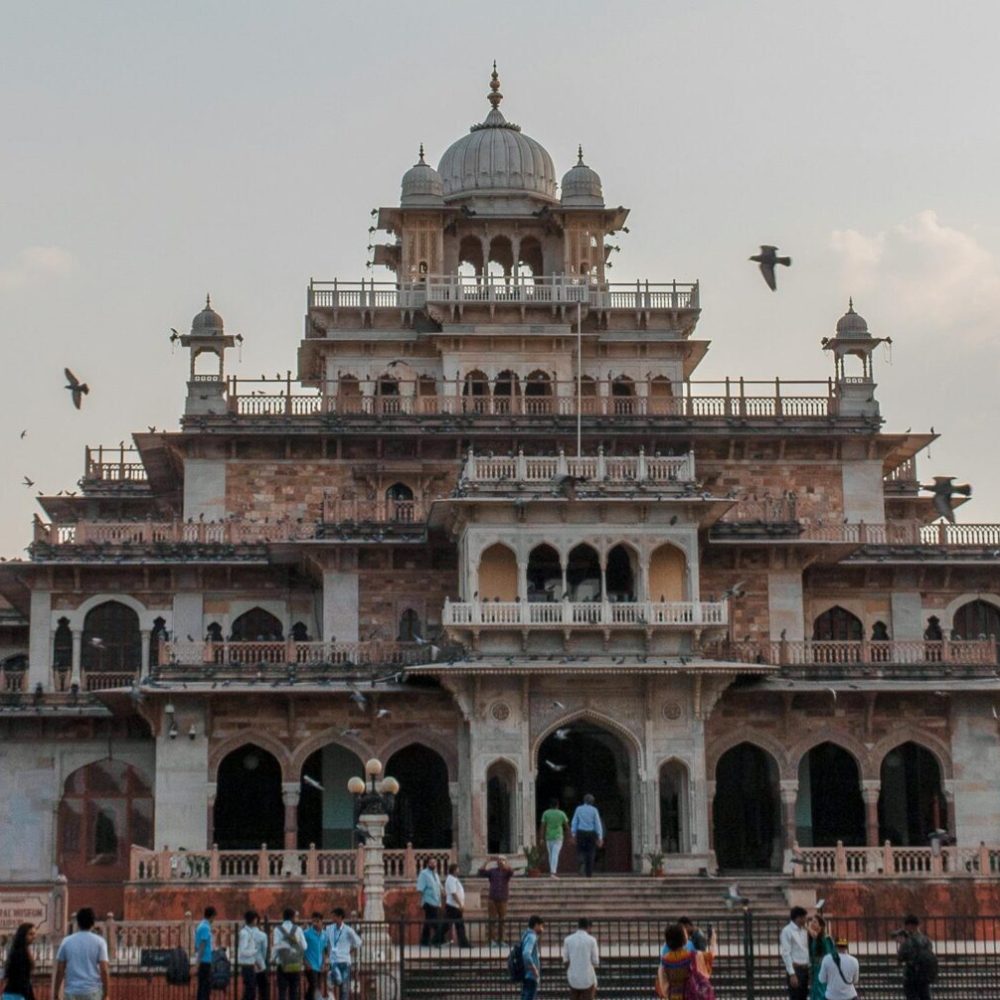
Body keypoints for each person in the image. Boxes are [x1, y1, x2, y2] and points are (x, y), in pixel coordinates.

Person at [53, 907, 110, 1000]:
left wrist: (56, 993)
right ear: (93, 923)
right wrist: (106, 994)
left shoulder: (66, 941)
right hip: (93, 991)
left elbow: (60, 970)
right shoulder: (100, 942)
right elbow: (104, 970)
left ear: (78, 923)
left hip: (71, 992)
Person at [658, 922, 709, 1000]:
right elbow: (705, 974)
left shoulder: (664, 962)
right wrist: (713, 942)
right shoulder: (694, 956)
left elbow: (664, 987)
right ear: (684, 940)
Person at [324, 907, 362, 1000]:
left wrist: (350, 951)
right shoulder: (329, 929)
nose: (332, 919)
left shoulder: (348, 930)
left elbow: (358, 942)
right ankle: (331, 979)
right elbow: (324, 940)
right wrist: (326, 954)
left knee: (344, 989)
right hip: (334, 961)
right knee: (338, 980)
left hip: (345, 961)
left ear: (340, 917)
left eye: (334, 917)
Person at [477, 854, 515, 946]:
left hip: (503, 899)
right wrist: (487, 861)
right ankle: (491, 941)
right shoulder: (492, 871)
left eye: (502, 860)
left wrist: (505, 864)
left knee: (502, 920)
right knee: (492, 920)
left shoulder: (507, 872)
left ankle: (501, 940)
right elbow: (481, 872)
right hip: (492, 898)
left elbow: (511, 872)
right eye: (499, 860)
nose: (500, 862)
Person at [896, 915, 936, 1000]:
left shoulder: (907, 942)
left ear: (909, 926)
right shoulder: (926, 940)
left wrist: (902, 943)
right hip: (924, 976)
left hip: (911, 976)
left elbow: (900, 958)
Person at [272, 907, 307, 1000]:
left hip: (282, 964)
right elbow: (304, 946)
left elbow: (276, 947)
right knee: (294, 991)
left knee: (282, 991)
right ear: (292, 917)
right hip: (295, 964)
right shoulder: (298, 929)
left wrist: (273, 959)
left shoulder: (277, 930)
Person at [562, 917, 599, 1000]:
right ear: (588, 927)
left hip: (573, 977)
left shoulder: (567, 940)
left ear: (578, 926)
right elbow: (595, 961)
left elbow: (565, 960)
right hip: (588, 977)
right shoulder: (592, 940)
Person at [780, 906, 811, 1000]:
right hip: (796, 968)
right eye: (804, 917)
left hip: (805, 968)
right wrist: (792, 974)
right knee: (795, 996)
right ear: (798, 918)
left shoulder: (805, 930)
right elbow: (786, 953)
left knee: (803, 996)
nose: (806, 920)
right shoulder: (787, 931)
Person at [238, 910, 269, 1000]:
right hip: (259, 964)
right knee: (262, 988)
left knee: (249, 989)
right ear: (255, 920)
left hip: (249, 964)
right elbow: (264, 951)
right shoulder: (262, 935)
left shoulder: (244, 932)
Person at [570, 794, 604, 877]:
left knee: (580, 850)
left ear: (584, 800)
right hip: (591, 833)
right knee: (591, 852)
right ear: (592, 802)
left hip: (581, 832)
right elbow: (597, 824)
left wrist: (573, 834)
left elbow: (574, 822)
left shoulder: (578, 809)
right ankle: (589, 873)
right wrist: (600, 837)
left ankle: (581, 861)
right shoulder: (594, 810)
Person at [1, 922, 37, 1000]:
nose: (34, 937)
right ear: (23, 935)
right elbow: (21, 978)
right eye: (30, 934)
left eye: (34, 934)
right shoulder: (20, 953)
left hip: (15, 993)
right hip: (16, 994)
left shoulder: (22, 950)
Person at [539, 798, 571, 877]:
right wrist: (570, 836)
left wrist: (541, 838)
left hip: (548, 837)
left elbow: (542, 826)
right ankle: (553, 872)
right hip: (558, 837)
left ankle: (552, 871)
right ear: (558, 805)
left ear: (550, 805)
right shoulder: (562, 813)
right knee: (555, 854)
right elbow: (567, 826)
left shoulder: (546, 813)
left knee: (551, 855)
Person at [415, 858, 444, 946]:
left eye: (434, 862)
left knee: (428, 922)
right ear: (428, 864)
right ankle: (439, 939)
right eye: (431, 863)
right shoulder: (424, 874)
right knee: (435, 921)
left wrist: (443, 891)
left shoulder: (436, 874)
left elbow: (439, 886)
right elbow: (420, 888)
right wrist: (419, 901)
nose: (433, 864)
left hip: (436, 901)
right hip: (428, 901)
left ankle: (424, 941)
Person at [442, 863, 471, 947]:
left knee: (459, 925)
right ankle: (436, 939)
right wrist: (460, 904)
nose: (459, 871)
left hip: (456, 906)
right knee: (447, 925)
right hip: (452, 906)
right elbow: (453, 893)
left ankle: (464, 943)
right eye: (457, 869)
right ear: (454, 870)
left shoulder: (455, 879)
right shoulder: (450, 879)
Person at [807, 914, 835, 1000]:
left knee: (821, 991)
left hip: (822, 968)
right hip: (815, 968)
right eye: (811, 921)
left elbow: (830, 955)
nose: (812, 923)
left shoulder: (826, 938)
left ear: (821, 925)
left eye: (815, 922)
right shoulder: (813, 939)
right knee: (815, 991)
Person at [303, 912, 329, 1000]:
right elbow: (301, 949)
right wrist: (305, 962)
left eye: (317, 921)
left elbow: (324, 950)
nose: (315, 924)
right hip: (310, 965)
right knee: (314, 986)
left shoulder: (324, 934)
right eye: (313, 921)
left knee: (315, 986)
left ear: (322, 922)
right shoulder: (306, 933)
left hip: (319, 965)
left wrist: (324, 962)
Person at [193, 905, 217, 1000]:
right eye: (214, 917)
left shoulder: (203, 925)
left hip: (205, 960)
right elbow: (202, 946)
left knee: (204, 986)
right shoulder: (205, 927)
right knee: (205, 987)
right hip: (204, 961)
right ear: (211, 916)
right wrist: (197, 964)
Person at [520, 916, 544, 1000]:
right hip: (531, 975)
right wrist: (534, 969)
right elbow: (526, 954)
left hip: (526, 974)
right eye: (541, 926)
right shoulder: (531, 937)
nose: (542, 929)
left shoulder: (525, 935)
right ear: (536, 925)